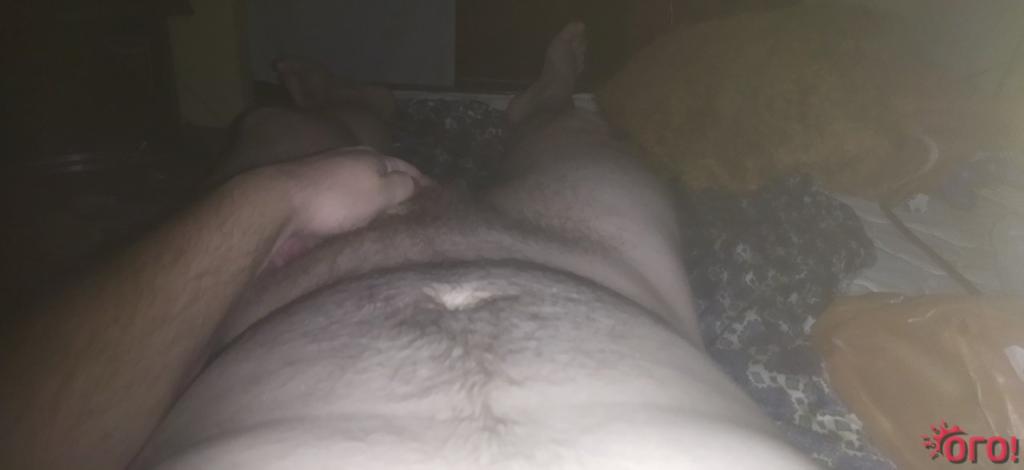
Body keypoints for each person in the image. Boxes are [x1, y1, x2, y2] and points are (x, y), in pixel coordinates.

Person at [2, 23, 815, 469]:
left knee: (274, 135)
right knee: (586, 148)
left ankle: (355, 119)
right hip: (606, 271)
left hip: (277, 289)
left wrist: (271, 199)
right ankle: (540, 110)